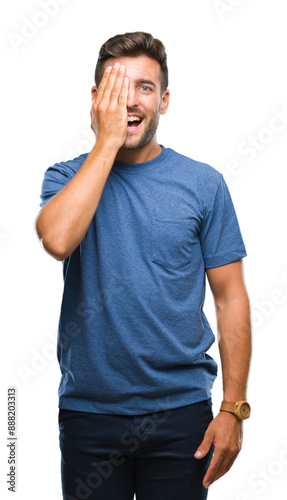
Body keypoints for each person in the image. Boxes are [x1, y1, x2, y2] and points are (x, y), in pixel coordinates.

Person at [35, 31, 252, 500]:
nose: (130, 100)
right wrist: (107, 143)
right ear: (96, 100)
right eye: (117, 87)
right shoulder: (66, 177)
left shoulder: (203, 184)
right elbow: (56, 239)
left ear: (165, 100)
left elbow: (230, 296)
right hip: (90, 414)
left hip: (181, 414)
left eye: (145, 87)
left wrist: (233, 409)